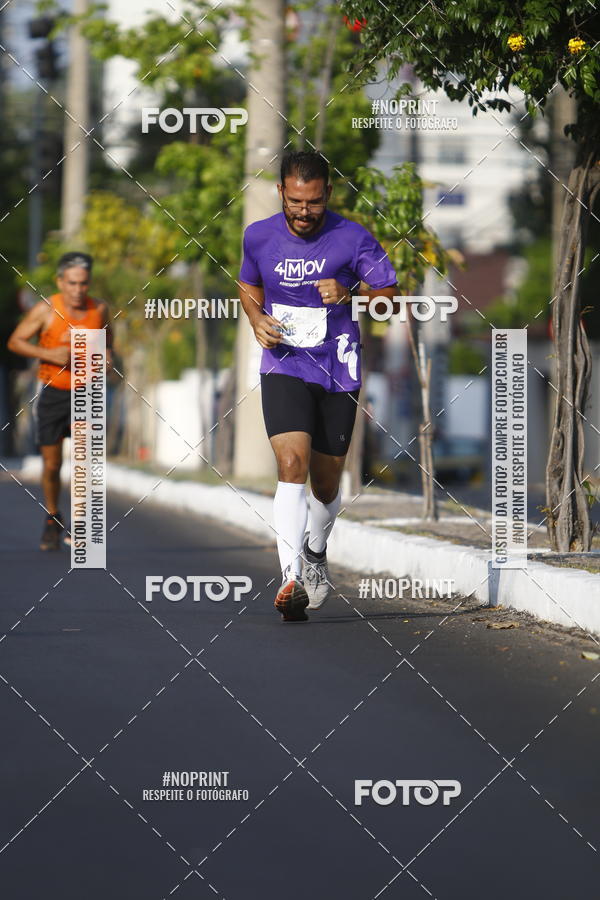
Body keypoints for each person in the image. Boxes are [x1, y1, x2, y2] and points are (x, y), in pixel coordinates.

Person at [238, 151, 397, 622]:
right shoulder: (259, 235)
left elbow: (389, 301)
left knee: (326, 485)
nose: (302, 212)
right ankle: (291, 577)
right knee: (291, 464)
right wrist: (255, 319)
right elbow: (248, 285)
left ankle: (316, 549)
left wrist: (352, 295)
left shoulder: (352, 238)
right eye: (294, 201)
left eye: (311, 202)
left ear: (327, 193)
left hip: (337, 371)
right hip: (284, 366)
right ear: (281, 192)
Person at [7, 252, 113, 550]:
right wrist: (48, 354)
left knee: (83, 460)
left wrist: (107, 354)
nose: (78, 290)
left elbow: (108, 339)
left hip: (87, 391)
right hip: (54, 392)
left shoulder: (100, 309)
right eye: (72, 284)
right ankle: (53, 517)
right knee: (52, 464)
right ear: (60, 281)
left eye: (84, 284)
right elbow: (15, 341)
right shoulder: (45, 310)